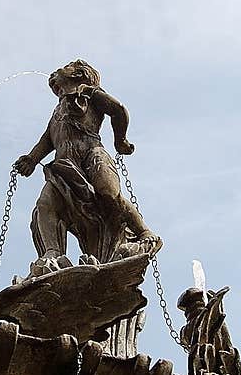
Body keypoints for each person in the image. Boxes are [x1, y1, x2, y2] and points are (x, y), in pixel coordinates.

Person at [14, 59, 161, 268]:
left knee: (109, 193)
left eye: (65, 66)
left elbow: (118, 110)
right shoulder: (58, 109)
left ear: (78, 74)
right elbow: (48, 139)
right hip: (63, 166)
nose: (56, 70)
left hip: (92, 155)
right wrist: (32, 158)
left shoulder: (89, 93)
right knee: (45, 204)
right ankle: (52, 253)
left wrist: (120, 140)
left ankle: (145, 233)